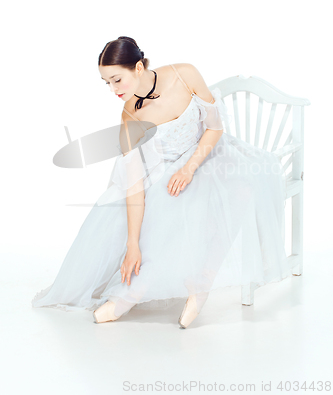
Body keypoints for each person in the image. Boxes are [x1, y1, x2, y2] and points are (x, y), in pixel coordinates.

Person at [32, 36, 292, 328]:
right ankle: (136, 289)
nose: (113, 90)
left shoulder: (185, 74)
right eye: (107, 83)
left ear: (139, 67)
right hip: (166, 170)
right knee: (166, 201)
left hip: (209, 153)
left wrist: (190, 167)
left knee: (242, 189)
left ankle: (202, 280)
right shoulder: (130, 114)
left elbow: (215, 127)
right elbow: (133, 183)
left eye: (117, 80)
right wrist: (133, 244)